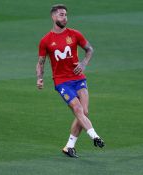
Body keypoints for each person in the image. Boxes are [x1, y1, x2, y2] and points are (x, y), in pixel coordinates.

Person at [36, 4, 104, 158]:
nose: (64, 17)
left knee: (84, 112)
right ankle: (95, 136)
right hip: (61, 82)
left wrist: (83, 63)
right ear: (53, 17)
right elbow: (40, 62)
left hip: (78, 78)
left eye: (65, 15)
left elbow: (89, 49)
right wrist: (39, 78)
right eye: (61, 15)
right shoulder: (46, 40)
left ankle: (69, 147)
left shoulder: (74, 34)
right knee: (78, 110)